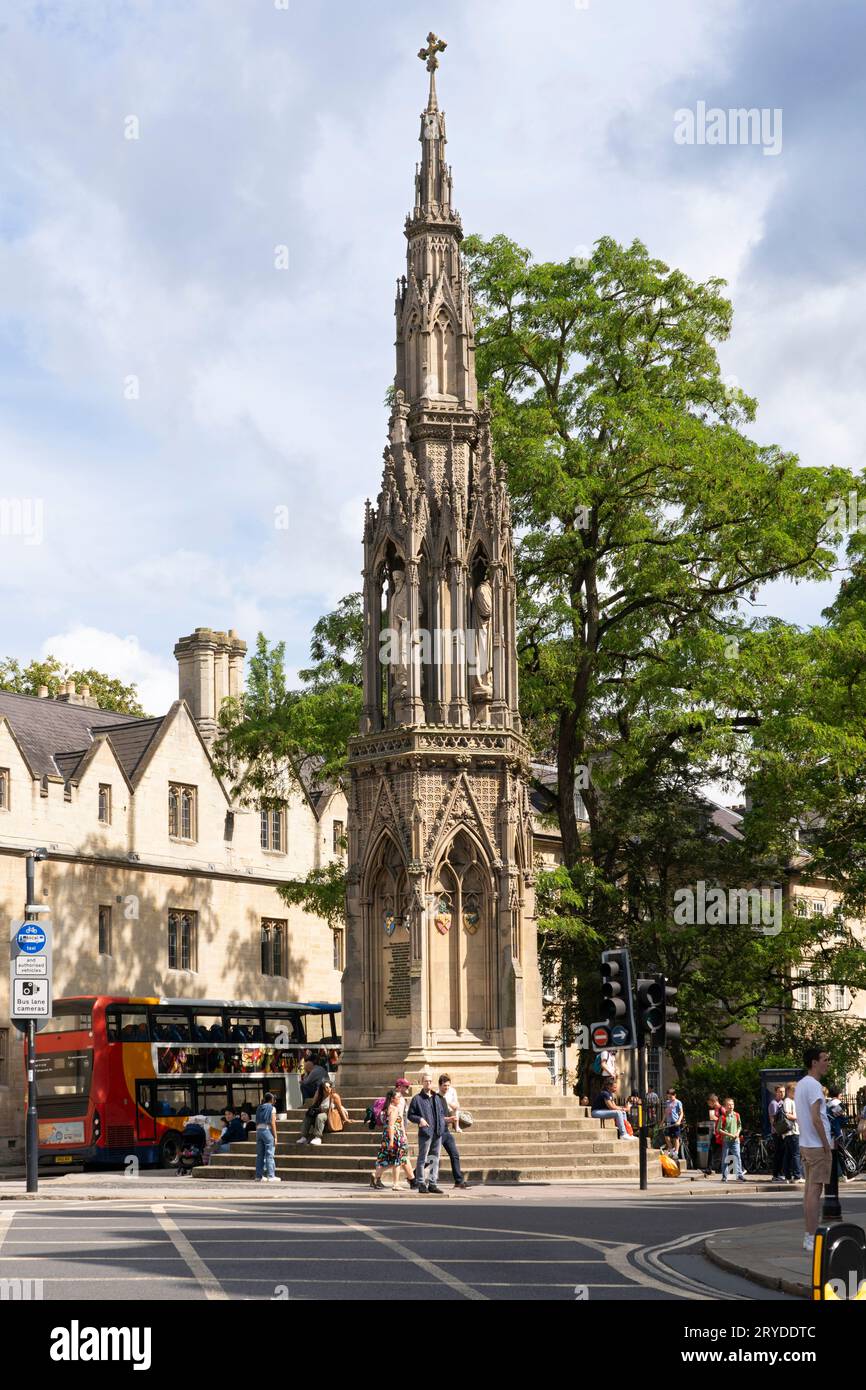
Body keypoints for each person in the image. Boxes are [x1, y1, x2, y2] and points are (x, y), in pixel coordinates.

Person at [794, 1046, 832, 1253]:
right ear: (814, 1062)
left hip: (806, 1144)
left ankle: (809, 1235)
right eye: (824, 1059)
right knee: (814, 1193)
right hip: (817, 1146)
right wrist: (827, 1145)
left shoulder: (801, 1084)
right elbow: (817, 1118)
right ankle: (811, 1237)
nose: (827, 1062)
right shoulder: (814, 1086)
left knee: (809, 1191)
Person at [407, 1071, 450, 1190]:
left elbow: (441, 1113)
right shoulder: (417, 1099)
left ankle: (432, 1183)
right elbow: (410, 1115)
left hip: (438, 1132)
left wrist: (442, 1124)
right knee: (422, 1158)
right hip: (425, 1133)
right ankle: (421, 1183)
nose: (428, 1083)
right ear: (422, 1082)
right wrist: (420, 1119)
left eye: (430, 1081)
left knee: (434, 1158)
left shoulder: (436, 1097)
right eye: (426, 1081)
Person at [371, 1087, 417, 1191]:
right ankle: (396, 1184)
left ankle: (376, 1177)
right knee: (398, 1160)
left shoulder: (387, 1108)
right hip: (395, 1137)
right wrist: (392, 1140)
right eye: (398, 1097)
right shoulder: (394, 1109)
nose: (400, 1099)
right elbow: (391, 1125)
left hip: (387, 1136)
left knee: (389, 1160)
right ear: (392, 1099)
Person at [436, 1075, 471, 1189]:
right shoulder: (436, 1098)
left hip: (446, 1130)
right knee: (431, 1156)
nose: (447, 1088)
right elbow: (436, 1117)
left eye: (448, 1085)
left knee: (454, 1154)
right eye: (444, 1085)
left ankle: (458, 1181)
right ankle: (416, 1175)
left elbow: (456, 1107)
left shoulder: (449, 1094)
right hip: (438, 1131)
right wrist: (448, 1119)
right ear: (439, 1085)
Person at [298, 1079, 351, 1146]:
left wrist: (345, 1119)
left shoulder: (334, 1096)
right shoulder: (320, 1096)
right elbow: (313, 1105)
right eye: (326, 1087)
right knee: (308, 1117)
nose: (328, 1089)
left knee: (320, 1116)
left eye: (329, 1087)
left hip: (330, 1116)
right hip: (320, 1116)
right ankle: (304, 1137)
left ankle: (318, 1137)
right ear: (322, 1089)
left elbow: (339, 1109)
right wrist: (317, 1094)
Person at [255, 1090, 281, 1183]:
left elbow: (256, 1121)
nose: (275, 1101)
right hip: (267, 1131)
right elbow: (272, 1123)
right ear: (272, 1100)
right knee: (270, 1154)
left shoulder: (259, 1108)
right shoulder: (272, 1108)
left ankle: (258, 1176)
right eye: (274, 1099)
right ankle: (271, 1176)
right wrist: (275, 1136)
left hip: (259, 1131)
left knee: (260, 1155)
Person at [719, 1096, 746, 1183]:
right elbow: (719, 1129)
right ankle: (724, 1176)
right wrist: (729, 1134)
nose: (731, 1106)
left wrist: (737, 1133)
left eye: (732, 1104)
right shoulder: (722, 1117)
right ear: (725, 1107)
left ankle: (739, 1175)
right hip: (726, 1140)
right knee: (725, 1158)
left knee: (737, 1157)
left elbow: (739, 1125)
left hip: (735, 1140)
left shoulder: (737, 1115)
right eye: (729, 1105)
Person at [781, 1082, 801, 1184]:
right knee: (796, 1154)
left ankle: (787, 1176)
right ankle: (797, 1176)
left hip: (789, 1132)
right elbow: (788, 1115)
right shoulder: (788, 1101)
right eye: (794, 1091)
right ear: (789, 1091)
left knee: (788, 1155)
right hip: (792, 1131)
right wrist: (799, 1117)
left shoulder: (789, 1101)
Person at [768, 1085, 786, 1181]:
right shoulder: (773, 1104)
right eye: (780, 1091)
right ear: (776, 1092)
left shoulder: (783, 1102)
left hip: (783, 1132)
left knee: (782, 1153)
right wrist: (779, 1130)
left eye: (783, 1091)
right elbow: (772, 1120)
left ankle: (781, 1173)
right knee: (778, 1153)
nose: (782, 1093)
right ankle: (776, 1174)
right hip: (777, 1132)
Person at [706, 1094, 727, 1175]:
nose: (709, 1105)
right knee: (711, 1150)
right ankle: (709, 1168)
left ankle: (718, 1168)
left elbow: (726, 1120)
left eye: (709, 1103)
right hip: (715, 1133)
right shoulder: (714, 1110)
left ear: (713, 1101)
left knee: (720, 1151)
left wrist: (717, 1119)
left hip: (721, 1134)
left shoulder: (721, 1109)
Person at [663, 1087, 683, 1159]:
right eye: (668, 1097)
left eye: (671, 1096)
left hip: (675, 1122)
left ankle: (676, 1153)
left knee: (676, 1138)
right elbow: (665, 1113)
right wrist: (662, 1122)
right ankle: (671, 1150)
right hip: (668, 1122)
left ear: (675, 1095)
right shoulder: (667, 1102)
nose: (669, 1098)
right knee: (666, 1137)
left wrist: (679, 1121)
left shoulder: (678, 1102)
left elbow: (681, 1113)